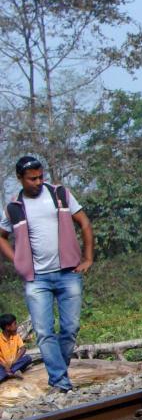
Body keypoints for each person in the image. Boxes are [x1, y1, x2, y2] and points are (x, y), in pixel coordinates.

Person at [0, 156, 93, 392]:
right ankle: (61, 382)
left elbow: (84, 222)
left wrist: (88, 257)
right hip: (36, 279)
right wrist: (18, 260)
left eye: (41, 177)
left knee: (70, 329)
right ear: (20, 179)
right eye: (32, 179)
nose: (38, 182)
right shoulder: (13, 206)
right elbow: (1, 236)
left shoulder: (59, 194)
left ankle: (58, 371)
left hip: (68, 273)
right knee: (44, 332)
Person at [0, 314, 32, 383]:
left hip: (14, 364)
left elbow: (23, 348)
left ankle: (8, 374)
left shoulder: (16, 336)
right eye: (15, 324)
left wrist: (15, 360)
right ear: (8, 327)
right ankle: (9, 373)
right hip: (2, 365)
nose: (17, 326)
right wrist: (5, 366)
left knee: (28, 358)